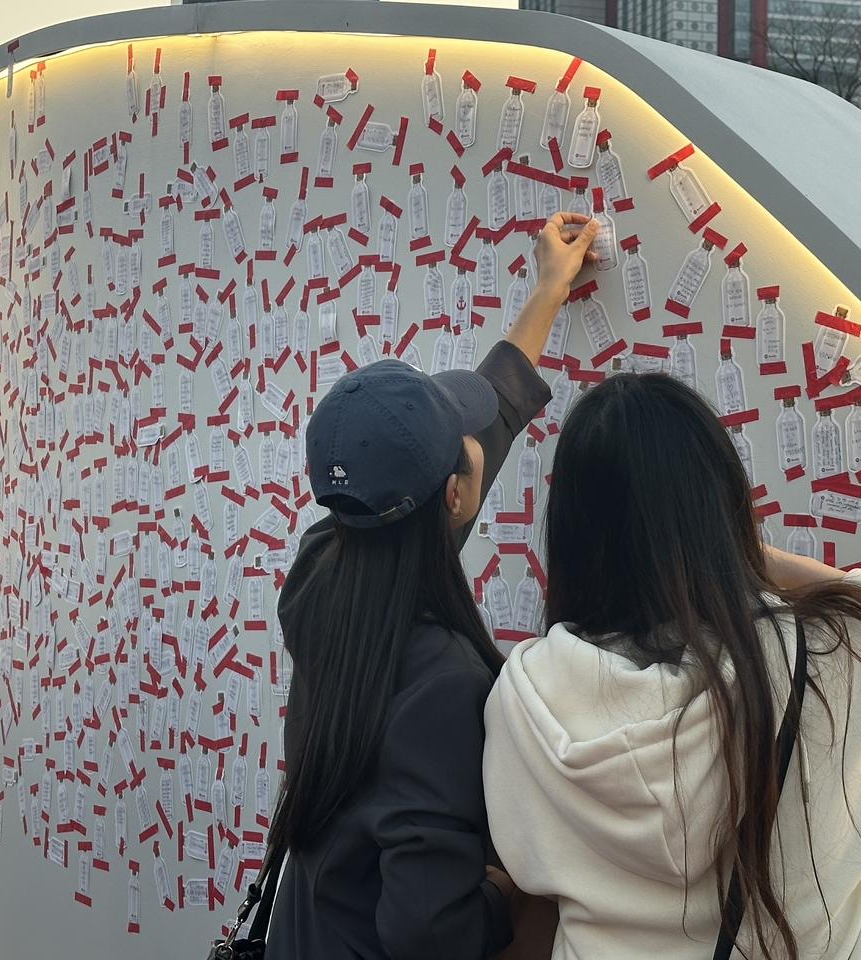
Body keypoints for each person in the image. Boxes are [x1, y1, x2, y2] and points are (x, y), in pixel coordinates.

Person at [482, 373, 861, 960]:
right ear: (722, 506)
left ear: (573, 529)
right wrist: (763, 562)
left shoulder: (523, 699)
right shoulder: (828, 660)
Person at [260, 212, 599, 960]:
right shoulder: (441, 684)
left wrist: (546, 292)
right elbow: (427, 931)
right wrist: (506, 897)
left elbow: (489, 416)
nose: (480, 442)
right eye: (462, 445)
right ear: (452, 497)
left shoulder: (322, 570)